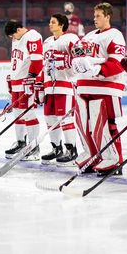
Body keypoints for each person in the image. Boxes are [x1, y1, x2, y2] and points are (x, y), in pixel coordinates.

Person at [71, 2, 127, 175]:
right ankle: (92, 155)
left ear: (108, 17)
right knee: (84, 124)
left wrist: (99, 70)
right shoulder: (88, 35)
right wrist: (76, 64)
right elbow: (77, 55)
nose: (94, 19)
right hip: (84, 86)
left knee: (104, 124)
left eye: (98, 16)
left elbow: (119, 63)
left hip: (105, 87)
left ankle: (114, 159)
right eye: (94, 16)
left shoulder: (115, 35)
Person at [3, 19, 43, 161]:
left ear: (20, 29)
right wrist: (11, 80)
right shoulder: (16, 39)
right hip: (16, 82)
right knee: (18, 114)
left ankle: (34, 147)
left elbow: (38, 60)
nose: (13, 38)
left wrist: (32, 77)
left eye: (14, 35)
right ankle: (21, 143)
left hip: (26, 82)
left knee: (29, 114)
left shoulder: (33, 36)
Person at [43, 13, 79, 164]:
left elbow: (81, 57)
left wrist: (66, 60)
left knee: (64, 118)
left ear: (61, 25)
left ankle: (71, 150)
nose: (50, 24)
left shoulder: (71, 39)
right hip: (49, 87)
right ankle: (56, 148)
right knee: (50, 118)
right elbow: (43, 65)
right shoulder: (47, 42)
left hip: (65, 84)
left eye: (53, 22)